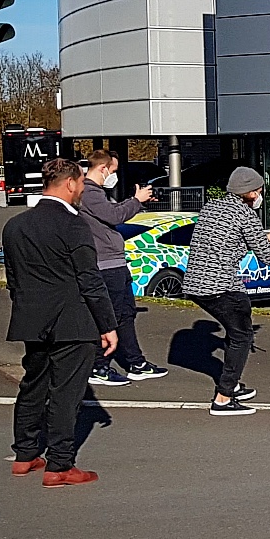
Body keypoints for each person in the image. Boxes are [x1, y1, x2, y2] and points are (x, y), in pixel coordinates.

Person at [4, 159, 117, 487]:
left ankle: (24, 455)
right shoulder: (74, 224)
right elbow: (89, 278)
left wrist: (27, 310)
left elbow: (14, 280)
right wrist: (107, 325)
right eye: (81, 182)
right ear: (69, 183)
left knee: (33, 383)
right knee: (66, 392)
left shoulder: (14, 226)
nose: (82, 189)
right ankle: (60, 464)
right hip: (73, 320)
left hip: (31, 319)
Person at [183, 167, 270, 416]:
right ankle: (224, 397)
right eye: (260, 190)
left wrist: (268, 237)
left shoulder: (211, 207)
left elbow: (230, 240)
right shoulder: (246, 215)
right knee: (242, 337)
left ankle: (231, 383)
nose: (261, 194)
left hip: (196, 284)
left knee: (235, 332)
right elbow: (268, 259)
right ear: (252, 193)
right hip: (222, 286)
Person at [79, 149, 166, 385]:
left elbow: (113, 214)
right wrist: (136, 200)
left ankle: (135, 362)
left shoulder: (96, 193)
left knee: (125, 314)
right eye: (113, 170)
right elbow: (114, 215)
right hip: (106, 264)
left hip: (115, 261)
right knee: (112, 316)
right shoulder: (90, 192)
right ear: (103, 168)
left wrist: (137, 203)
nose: (114, 175)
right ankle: (99, 366)